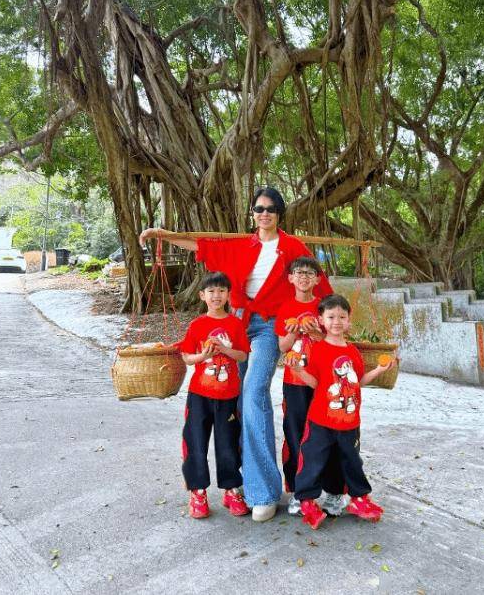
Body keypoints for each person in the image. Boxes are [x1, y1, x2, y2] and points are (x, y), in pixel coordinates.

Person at [140, 186, 332, 522]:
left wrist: (332, 329)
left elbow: (321, 289)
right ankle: (237, 484)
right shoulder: (243, 245)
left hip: (270, 327)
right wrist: (164, 235)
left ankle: (264, 492)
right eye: (259, 209)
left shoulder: (293, 247)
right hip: (238, 324)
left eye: (270, 209)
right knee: (235, 402)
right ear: (252, 213)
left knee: (254, 392)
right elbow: (202, 246)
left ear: (279, 213)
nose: (264, 214)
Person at [288, 294, 395, 530]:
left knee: (352, 461)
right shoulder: (318, 349)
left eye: (342, 317)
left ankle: (359, 498)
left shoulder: (353, 352)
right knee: (313, 460)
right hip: (321, 421)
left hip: (349, 422)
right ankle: (306, 500)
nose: (336, 321)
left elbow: (359, 381)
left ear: (348, 321)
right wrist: (299, 371)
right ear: (321, 320)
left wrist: (379, 369)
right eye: (331, 317)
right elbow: (315, 383)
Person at [274, 256, 345, 517]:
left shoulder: (325, 306)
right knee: (296, 434)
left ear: (317, 279)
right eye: (299, 273)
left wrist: (316, 333)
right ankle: (298, 491)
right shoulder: (285, 307)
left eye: (309, 273)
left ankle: (334, 492)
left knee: (331, 433)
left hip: (325, 380)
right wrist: (295, 330)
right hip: (295, 381)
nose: (304, 277)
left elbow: (337, 340)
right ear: (291, 278)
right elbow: (283, 347)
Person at [179, 271, 250, 519]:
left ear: (229, 295)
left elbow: (243, 355)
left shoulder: (235, 324)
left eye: (221, 291)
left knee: (228, 444)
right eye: (211, 291)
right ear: (202, 295)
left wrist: (226, 350)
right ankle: (198, 491)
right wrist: (204, 356)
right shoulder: (197, 325)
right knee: (196, 442)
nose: (216, 295)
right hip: (199, 395)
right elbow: (187, 357)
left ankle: (231, 489)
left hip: (228, 396)